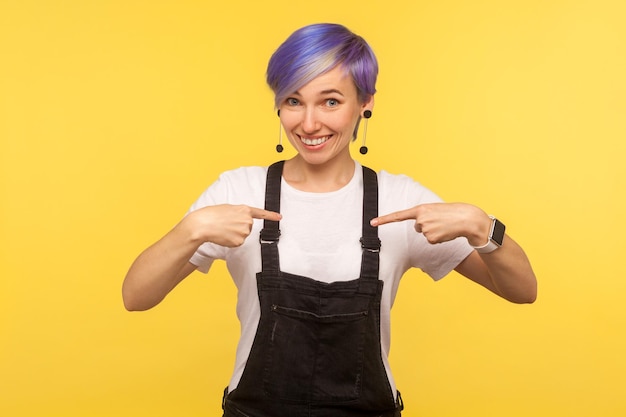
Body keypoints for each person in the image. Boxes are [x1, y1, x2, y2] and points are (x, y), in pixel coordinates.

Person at [122, 23, 537, 417]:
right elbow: (135, 297)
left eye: (331, 101)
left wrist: (483, 227)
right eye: (293, 101)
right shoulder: (238, 191)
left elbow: (522, 290)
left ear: (365, 102)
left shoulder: (399, 200)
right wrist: (190, 230)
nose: (308, 123)